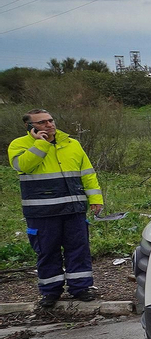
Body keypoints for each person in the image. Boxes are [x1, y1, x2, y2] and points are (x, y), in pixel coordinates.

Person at [8, 109, 101, 308]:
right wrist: (40, 143)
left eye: (50, 120)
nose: (49, 125)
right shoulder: (19, 145)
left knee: (79, 250)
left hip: (73, 208)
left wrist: (95, 199)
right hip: (42, 212)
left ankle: (81, 288)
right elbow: (23, 166)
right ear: (30, 127)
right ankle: (50, 292)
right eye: (42, 123)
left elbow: (87, 173)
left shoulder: (71, 144)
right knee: (47, 252)